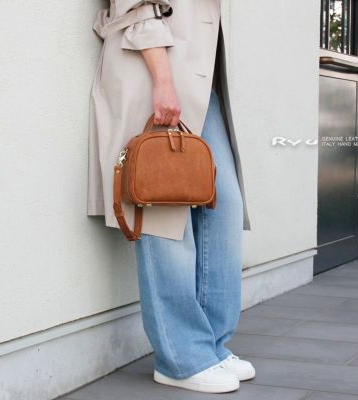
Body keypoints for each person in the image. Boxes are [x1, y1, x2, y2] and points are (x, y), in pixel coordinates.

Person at [88, 0, 254, 393]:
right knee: (163, 206)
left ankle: (210, 345)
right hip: (155, 72)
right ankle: (181, 359)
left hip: (199, 81)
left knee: (224, 205)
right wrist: (162, 80)